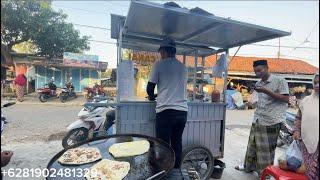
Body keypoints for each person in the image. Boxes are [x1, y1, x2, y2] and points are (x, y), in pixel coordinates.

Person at [235, 60, 289, 176]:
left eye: (260, 70)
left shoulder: (279, 80)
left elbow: (285, 99)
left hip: (272, 120)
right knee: (253, 146)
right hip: (258, 119)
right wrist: (249, 104)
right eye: (255, 71)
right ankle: (248, 167)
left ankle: (265, 173)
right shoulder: (258, 83)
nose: (257, 73)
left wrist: (265, 91)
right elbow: (256, 101)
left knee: (266, 150)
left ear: (267, 68)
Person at [146, 37, 188, 168]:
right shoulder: (183, 67)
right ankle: (176, 171)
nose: (160, 54)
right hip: (182, 112)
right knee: (177, 143)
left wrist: (152, 96)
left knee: (164, 145)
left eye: (160, 52)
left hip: (165, 112)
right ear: (174, 51)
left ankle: (164, 173)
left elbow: (149, 88)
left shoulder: (159, 64)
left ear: (163, 51)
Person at [293, 73, 319, 180]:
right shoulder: (305, 101)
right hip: (307, 143)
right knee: (308, 172)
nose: (317, 85)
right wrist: (296, 131)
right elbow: (298, 118)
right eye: (315, 83)